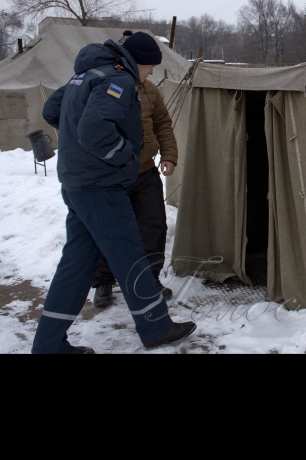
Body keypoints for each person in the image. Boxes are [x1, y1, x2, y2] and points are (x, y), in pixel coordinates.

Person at [31, 35, 196, 354]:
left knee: (77, 264)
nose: (149, 74)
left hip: (77, 182)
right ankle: (156, 326)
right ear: (141, 61)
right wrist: (124, 155)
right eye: (150, 67)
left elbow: (53, 109)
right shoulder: (119, 79)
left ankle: (49, 343)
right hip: (101, 185)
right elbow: (94, 130)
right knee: (130, 256)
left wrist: (75, 135)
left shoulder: (88, 74)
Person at [92, 32, 178, 309]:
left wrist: (169, 155)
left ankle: (149, 279)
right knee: (111, 228)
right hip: (113, 175)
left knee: (153, 226)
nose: (152, 71)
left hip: (144, 173)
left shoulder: (150, 90)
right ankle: (104, 281)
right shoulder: (106, 83)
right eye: (150, 65)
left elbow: (163, 124)